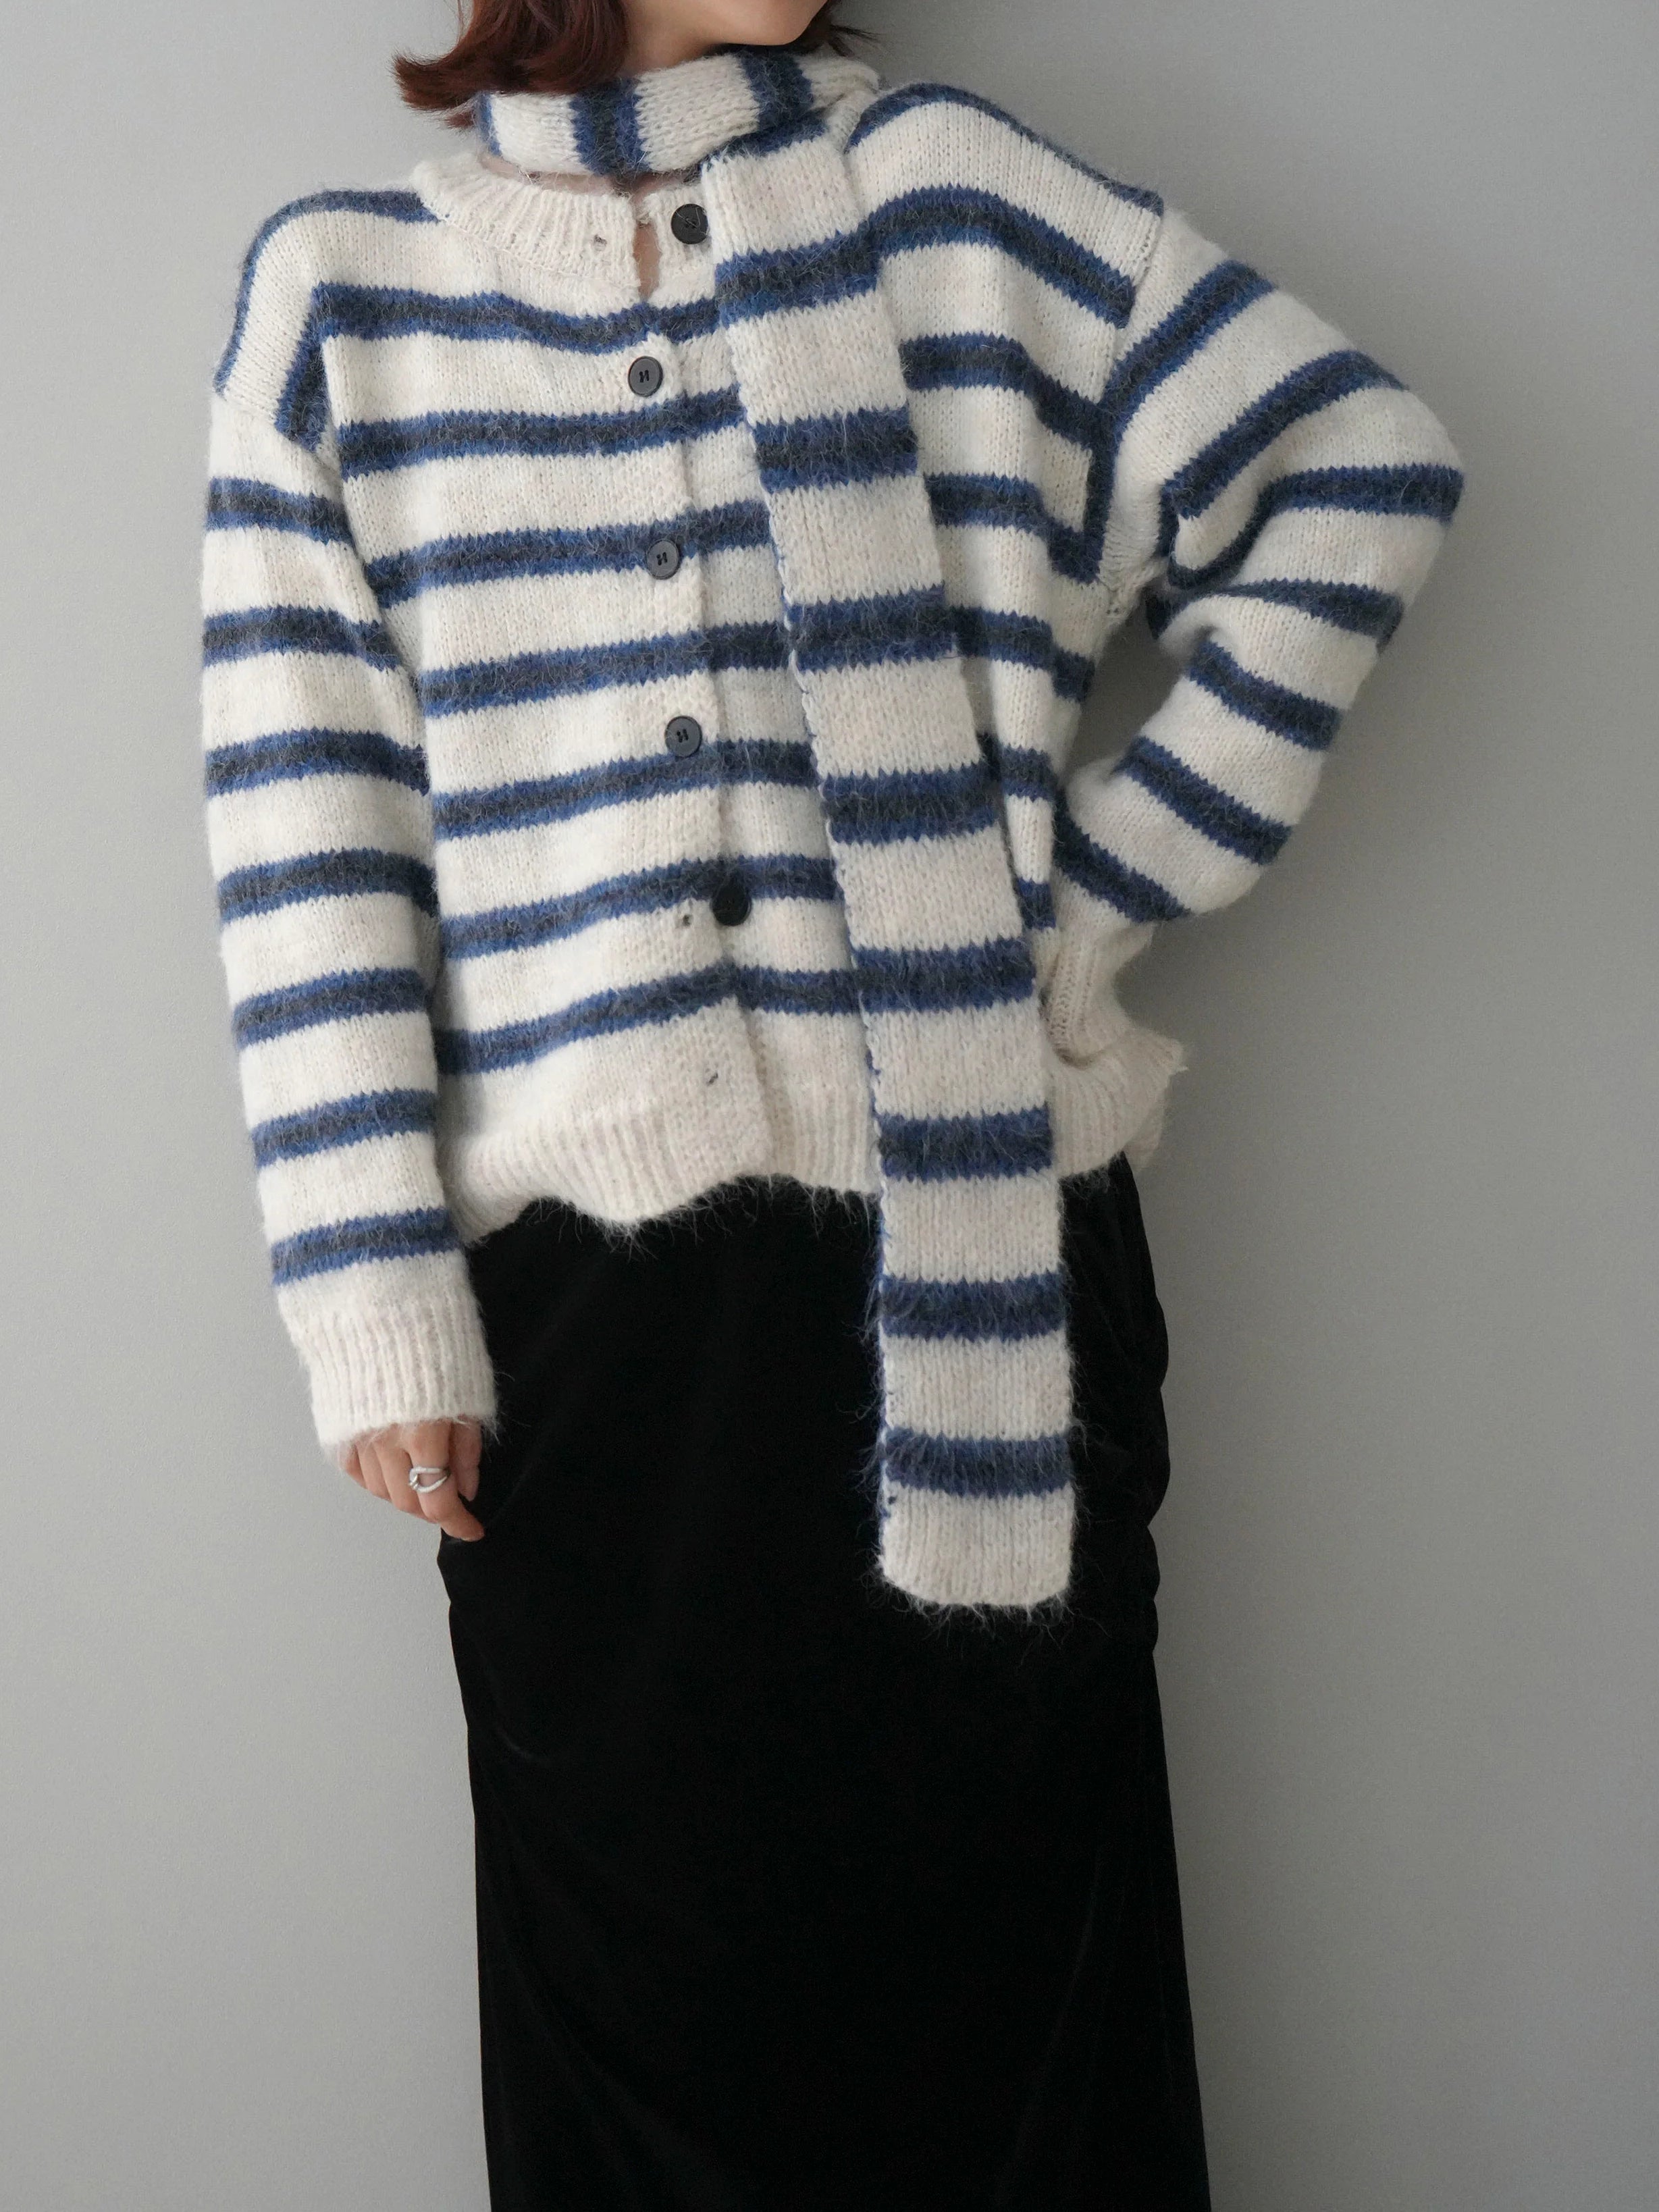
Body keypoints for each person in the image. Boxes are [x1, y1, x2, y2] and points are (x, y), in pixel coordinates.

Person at [199, 0, 1462, 2202]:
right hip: (598, 1356)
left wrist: (1082, 895)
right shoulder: (345, 304)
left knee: (1023, 2037)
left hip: (988, 1279)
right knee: (648, 2071)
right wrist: (370, 1306)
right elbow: (305, 835)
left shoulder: (961, 204)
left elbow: (1358, 472)